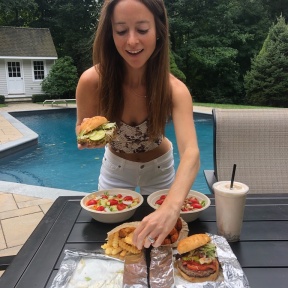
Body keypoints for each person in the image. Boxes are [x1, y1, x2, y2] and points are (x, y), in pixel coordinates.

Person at [75, 0, 200, 250]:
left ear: (159, 31)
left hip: (161, 169)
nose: (132, 41)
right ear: (110, 34)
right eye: (121, 31)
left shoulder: (175, 89)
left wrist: (172, 207)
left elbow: (191, 153)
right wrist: (87, 137)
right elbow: (83, 132)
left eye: (142, 30)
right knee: (111, 240)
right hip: (116, 169)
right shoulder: (91, 81)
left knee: (164, 243)